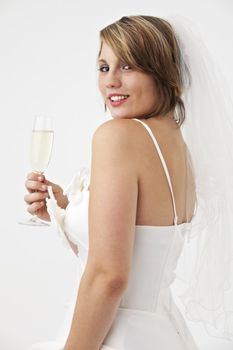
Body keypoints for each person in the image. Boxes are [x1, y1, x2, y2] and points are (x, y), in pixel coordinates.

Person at [24, 15, 233, 350]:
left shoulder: (118, 136)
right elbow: (142, 252)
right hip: (163, 333)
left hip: (118, 336)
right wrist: (64, 212)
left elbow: (110, 277)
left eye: (129, 67)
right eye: (104, 67)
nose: (111, 82)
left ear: (164, 72)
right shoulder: (177, 146)